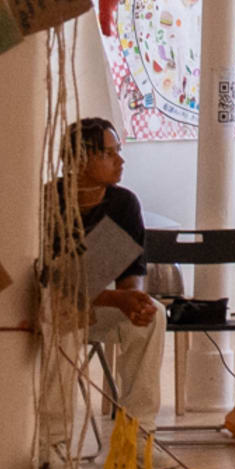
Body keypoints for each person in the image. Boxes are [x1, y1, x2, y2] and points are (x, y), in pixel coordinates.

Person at [61, 118, 170, 419]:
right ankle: (53, 442)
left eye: (118, 151)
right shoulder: (50, 201)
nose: (120, 161)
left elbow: (129, 277)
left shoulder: (123, 203)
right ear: (81, 159)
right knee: (61, 313)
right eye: (108, 154)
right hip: (52, 310)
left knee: (152, 315)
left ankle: (138, 433)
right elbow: (53, 284)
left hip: (95, 306)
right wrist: (116, 300)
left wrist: (134, 302)